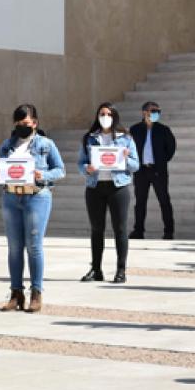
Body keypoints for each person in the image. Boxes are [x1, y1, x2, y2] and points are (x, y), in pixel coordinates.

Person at [0, 104, 64, 313]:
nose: (22, 127)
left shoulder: (46, 144)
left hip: (37, 196)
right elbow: (2, 168)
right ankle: (16, 293)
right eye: (18, 124)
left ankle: (36, 292)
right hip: (11, 197)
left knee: (34, 246)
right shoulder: (7, 145)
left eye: (26, 123)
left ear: (35, 123)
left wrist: (43, 175)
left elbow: (60, 169)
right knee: (14, 247)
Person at [78, 103, 140, 284]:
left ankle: (121, 270)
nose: (105, 117)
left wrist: (127, 156)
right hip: (95, 187)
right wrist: (86, 169)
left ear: (115, 116)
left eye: (109, 114)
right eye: (102, 113)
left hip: (118, 187)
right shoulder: (89, 138)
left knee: (120, 229)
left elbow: (136, 165)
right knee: (96, 229)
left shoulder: (126, 138)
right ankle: (96, 269)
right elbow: (81, 163)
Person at [129, 101, 177, 240]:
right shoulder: (135, 129)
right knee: (140, 202)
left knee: (164, 200)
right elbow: (129, 147)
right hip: (141, 170)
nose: (156, 113)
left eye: (158, 111)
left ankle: (169, 231)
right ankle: (138, 230)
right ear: (144, 112)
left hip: (158, 170)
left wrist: (161, 161)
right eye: (153, 110)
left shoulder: (164, 130)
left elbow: (171, 148)